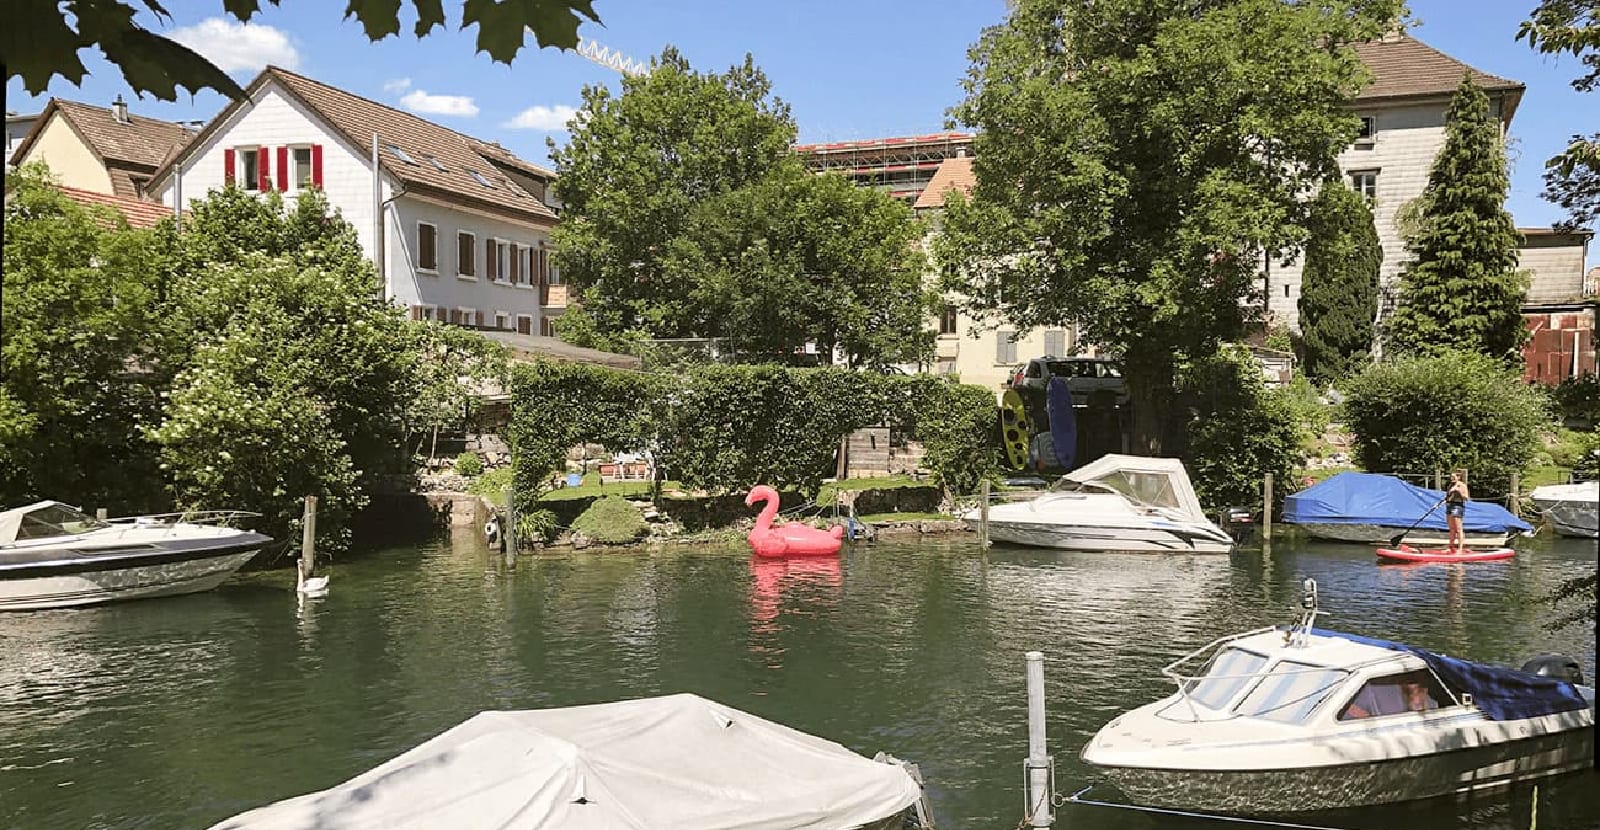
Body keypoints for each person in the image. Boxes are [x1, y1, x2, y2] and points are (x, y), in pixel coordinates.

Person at [1445, 470, 1470, 552]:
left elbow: (1466, 498)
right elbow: (1447, 496)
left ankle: (1460, 548)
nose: (1451, 479)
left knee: (1458, 528)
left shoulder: (1462, 485)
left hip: (1457, 505)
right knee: (1451, 528)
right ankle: (1450, 547)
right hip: (1449, 505)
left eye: (1453, 477)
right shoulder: (1450, 486)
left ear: (1458, 477)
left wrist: (1458, 491)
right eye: (1451, 477)